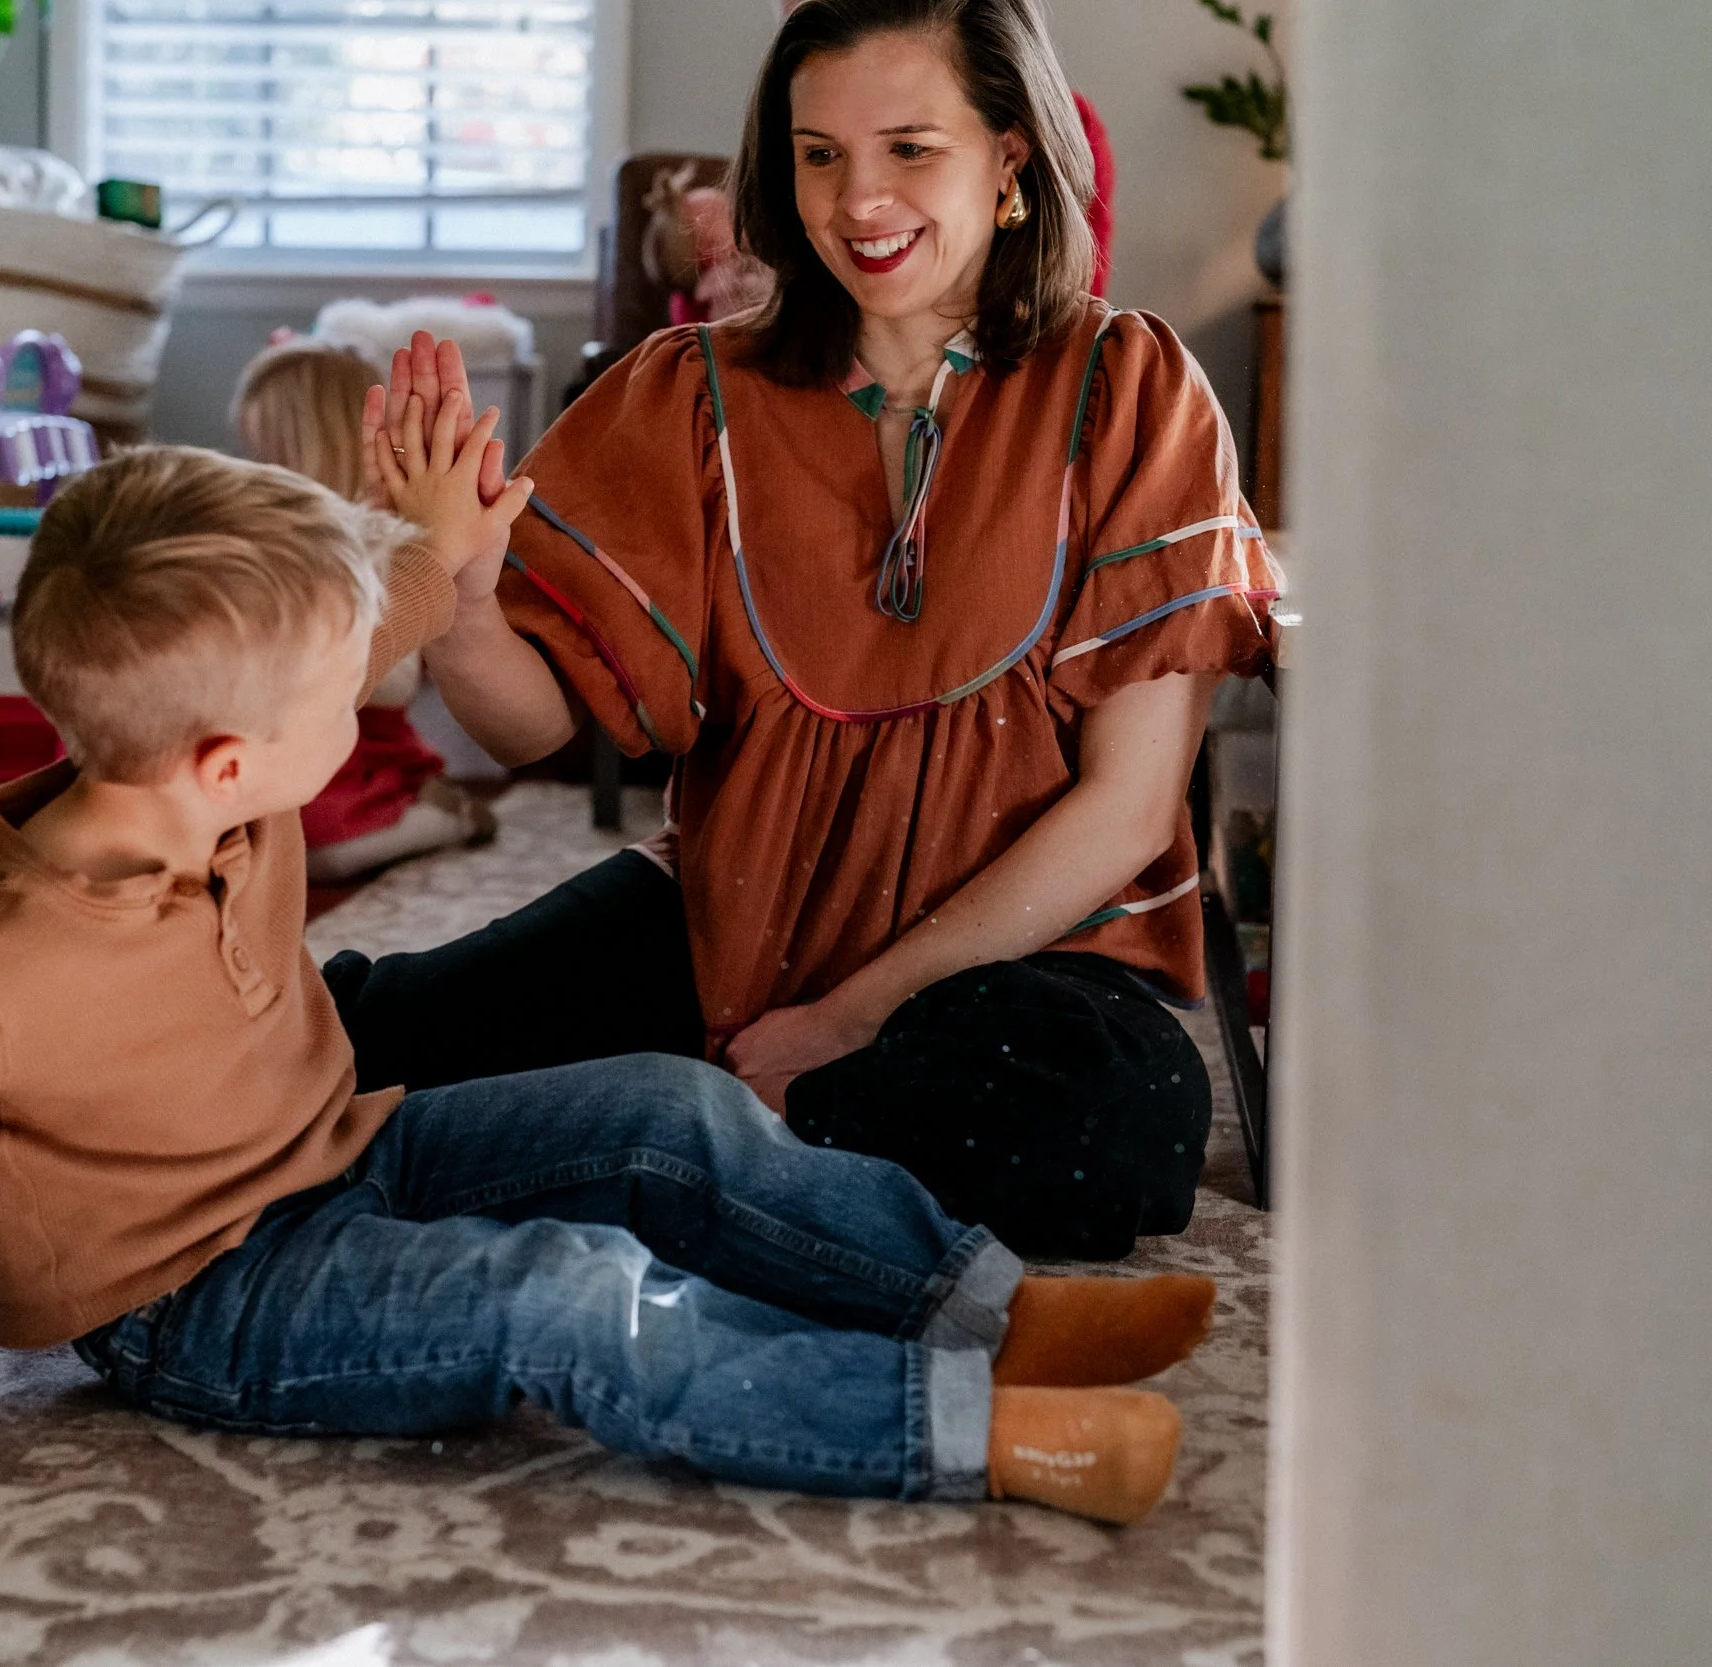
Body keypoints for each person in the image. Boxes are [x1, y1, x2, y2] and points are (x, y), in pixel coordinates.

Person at [0, 418, 1218, 1524]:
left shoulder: (210, 773)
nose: (375, 717)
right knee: (557, 1289)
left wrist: (437, 549)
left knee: (670, 1115)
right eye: (340, 715)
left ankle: (988, 1304)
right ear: (233, 763)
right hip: (198, 1303)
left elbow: (361, 628)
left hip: (337, 1144)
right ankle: (970, 1428)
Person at [327, 0, 1283, 1260]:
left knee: (1117, 1127)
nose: (857, 199)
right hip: (728, 920)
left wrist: (846, 1018)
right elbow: (529, 728)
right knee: (359, 1045)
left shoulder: (1135, 387)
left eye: (908, 148)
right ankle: (700, 1144)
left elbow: (1125, 807)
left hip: (1024, 963)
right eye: (817, 153)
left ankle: (661, 1132)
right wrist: (457, 589)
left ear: (1009, 154)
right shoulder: (684, 392)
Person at [232, 336, 497, 882]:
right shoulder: (261, 535)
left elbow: (396, 682)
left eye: (265, 453)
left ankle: (443, 818)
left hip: (353, 748)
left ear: (310, 451)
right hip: (268, 740)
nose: (250, 468)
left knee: (314, 849)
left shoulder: (375, 543)